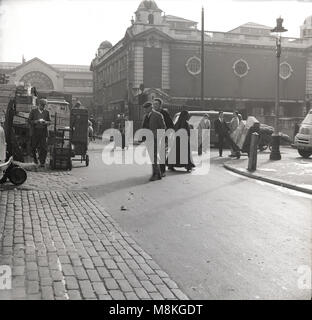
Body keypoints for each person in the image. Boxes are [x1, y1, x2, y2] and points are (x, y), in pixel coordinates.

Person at [142, 101, 166, 181]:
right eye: (144, 108)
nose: (144, 110)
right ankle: (158, 174)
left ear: (150, 108)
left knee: (154, 157)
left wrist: (157, 137)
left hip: (155, 138)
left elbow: (163, 127)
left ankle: (155, 174)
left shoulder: (158, 115)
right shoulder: (145, 116)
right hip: (148, 139)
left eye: (146, 108)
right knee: (152, 157)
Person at [153, 98, 174, 176]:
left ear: (160, 105)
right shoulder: (151, 113)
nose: (155, 105)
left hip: (162, 136)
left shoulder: (164, 113)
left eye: (156, 104)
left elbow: (170, 124)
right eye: (154, 104)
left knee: (162, 153)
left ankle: (162, 171)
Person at [28, 98, 51, 166]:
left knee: (44, 148)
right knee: (33, 147)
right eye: (42, 105)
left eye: (44, 105)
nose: (43, 107)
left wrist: (46, 122)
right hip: (35, 131)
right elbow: (29, 120)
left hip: (43, 132)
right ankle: (35, 161)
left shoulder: (47, 112)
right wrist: (35, 121)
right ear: (39, 105)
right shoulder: (33, 111)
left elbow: (49, 122)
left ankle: (42, 162)